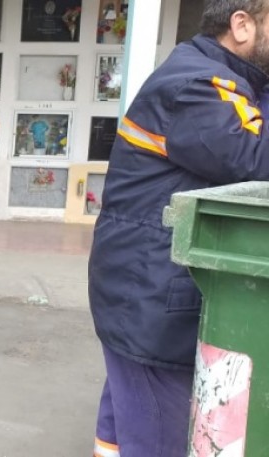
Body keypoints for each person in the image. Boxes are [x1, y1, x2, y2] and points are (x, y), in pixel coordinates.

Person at [89, 2, 269, 455]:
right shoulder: (199, 85)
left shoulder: (214, 75)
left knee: (126, 415)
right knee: (160, 435)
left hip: (145, 290)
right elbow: (255, 163)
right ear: (242, 24)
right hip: (152, 297)